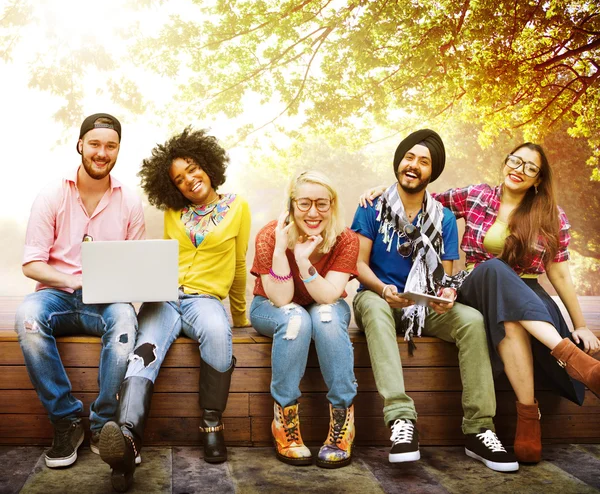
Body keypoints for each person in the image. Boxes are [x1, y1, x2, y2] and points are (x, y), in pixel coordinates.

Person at [361, 141, 600, 463]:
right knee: (494, 268)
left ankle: (528, 416)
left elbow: (560, 275)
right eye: (515, 161)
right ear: (505, 162)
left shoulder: (550, 215)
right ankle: (571, 358)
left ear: (539, 178)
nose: (520, 170)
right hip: (475, 283)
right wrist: (385, 190)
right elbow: (421, 197)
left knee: (510, 317)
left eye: (530, 168)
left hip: (525, 297)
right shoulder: (477, 196)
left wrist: (581, 324)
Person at [353, 129, 518, 473]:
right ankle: (401, 420)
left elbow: (444, 275)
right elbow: (358, 264)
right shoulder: (372, 206)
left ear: (433, 172)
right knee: (371, 304)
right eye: (409, 157)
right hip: (380, 298)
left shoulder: (442, 217)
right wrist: (383, 288)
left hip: (422, 306)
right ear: (398, 162)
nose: (413, 165)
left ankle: (479, 428)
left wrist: (445, 294)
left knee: (471, 320)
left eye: (424, 162)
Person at [99, 127, 250, 492]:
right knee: (143, 351)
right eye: (179, 180)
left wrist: (241, 315)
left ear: (208, 166)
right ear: (173, 188)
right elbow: (162, 259)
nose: (189, 180)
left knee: (217, 332)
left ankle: (212, 425)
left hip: (205, 300)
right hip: (165, 298)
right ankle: (127, 438)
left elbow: (240, 264)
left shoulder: (238, 207)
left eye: (193, 169)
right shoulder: (172, 212)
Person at [15, 113, 144, 469]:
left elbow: (135, 265)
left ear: (118, 150)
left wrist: (134, 283)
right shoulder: (52, 195)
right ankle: (67, 421)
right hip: (56, 294)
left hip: (104, 302)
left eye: (111, 146)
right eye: (95, 144)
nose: (102, 153)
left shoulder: (130, 201)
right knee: (27, 316)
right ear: (80, 145)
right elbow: (31, 264)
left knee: (124, 319)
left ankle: (104, 424)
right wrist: (73, 280)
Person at [250, 171, 359, 468]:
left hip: (323, 301)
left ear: (333, 205)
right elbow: (281, 299)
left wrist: (303, 261)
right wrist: (282, 249)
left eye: (322, 204)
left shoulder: (345, 239)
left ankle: (342, 422)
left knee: (324, 317)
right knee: (296, 318)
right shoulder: (269, 234)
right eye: (305, 203)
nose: (313, 212)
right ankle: (284, 423)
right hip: (270, 306)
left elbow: (329, 295)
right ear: (291, 205)